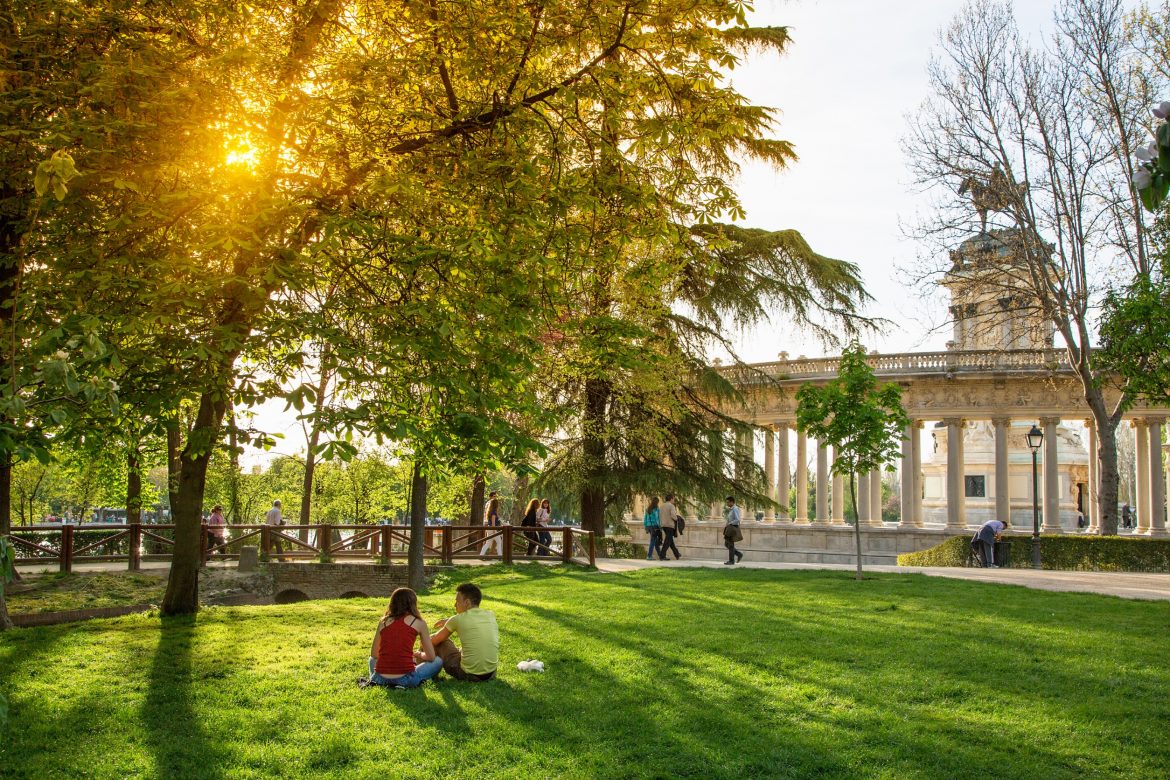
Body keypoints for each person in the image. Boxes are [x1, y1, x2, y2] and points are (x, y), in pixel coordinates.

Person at [361, 587, 444, 689]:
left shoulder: (383, 622)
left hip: (379, 678)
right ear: (413, 603)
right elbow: (431, 657)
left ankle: (377, 681)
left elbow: (374, 654)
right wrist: (419, 654)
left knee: (371, 659)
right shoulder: (419, 623)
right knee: (438, 661)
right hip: (406, 679)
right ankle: (400, 683)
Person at [428, 582, 499, 682]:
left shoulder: (457, 619)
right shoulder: (490, 615)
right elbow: (472, 620)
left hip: (468, 674)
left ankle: (423, 668)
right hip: (491, 673)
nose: (454, 605)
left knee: (440, 642)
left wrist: (423, 640)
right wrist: (448, 620)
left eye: (457, 601)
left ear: (467, 603)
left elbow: (434, 641)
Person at [479, 492, 503, 556]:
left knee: (488, 543)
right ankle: (500, 556)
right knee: (499, 542)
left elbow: (497, 519)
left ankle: (481, 555)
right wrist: (495, 531)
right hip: (493, 529)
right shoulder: (493, 512)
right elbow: (493, 523)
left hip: (490, 529)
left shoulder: (491, 511)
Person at [659, 493, 681, 560]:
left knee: (670, 541)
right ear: (671, 499)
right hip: (670, 525)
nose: (674, 500)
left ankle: (677, 554)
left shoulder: (662, 506)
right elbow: (673, 516)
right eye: (673, 499)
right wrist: (677, 518)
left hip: (663, 525)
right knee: (668, 541)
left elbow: (660, 515)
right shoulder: (671, 506)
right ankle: (662, 555)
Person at [723, 496, 743, 565]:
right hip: (729, 528)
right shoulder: (731, 509)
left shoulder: (735, 509)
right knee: (726, 544)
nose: (727, 504)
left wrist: (729, 523)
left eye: (728, 502)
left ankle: (731, 561)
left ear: (732, 502)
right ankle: (738, 554)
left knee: (730, 544)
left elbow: (737, 519)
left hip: (732, 529)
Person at [643, 496, 663, 560]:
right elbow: (657, 519)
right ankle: (649, 556)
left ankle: (660, 555)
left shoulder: (648, 509)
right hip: (654, 526)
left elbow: (645, 519)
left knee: (655, 541)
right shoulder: (656, 509)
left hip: (649, 526)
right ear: (657, 502)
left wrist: (646, 526)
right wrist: (660, 527)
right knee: (652, 541)